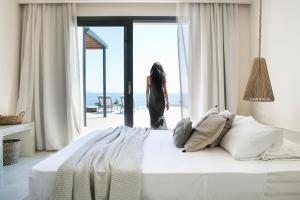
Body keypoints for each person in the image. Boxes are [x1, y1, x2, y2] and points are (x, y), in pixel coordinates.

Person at [146, 62, 169, 129]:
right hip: (159, 102)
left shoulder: (149, 78)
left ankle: (155, 132)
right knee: (160, 118)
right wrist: (168, 102)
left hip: (153, 102)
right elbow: (165, 91)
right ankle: (161, 131)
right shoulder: (162, 78)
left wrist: (146, 102)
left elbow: (147, 91)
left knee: (154, 120)